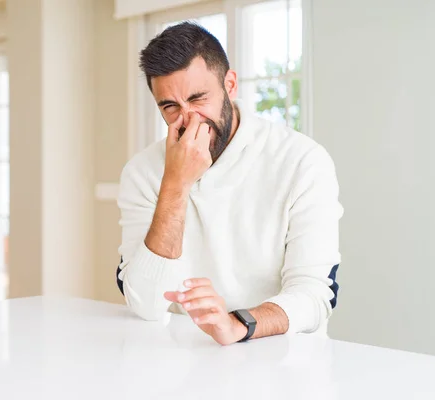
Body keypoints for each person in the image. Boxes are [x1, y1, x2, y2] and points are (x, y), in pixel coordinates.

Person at [116, 22, 343, 345]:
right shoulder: (142, 172)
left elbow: (315, 294)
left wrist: (238, 324)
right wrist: (175, 185)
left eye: (199, 98)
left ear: (230, 84)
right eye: (170, 107)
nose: (189, 118)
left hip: (285, 359)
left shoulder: (302, 160)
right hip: (187, 360)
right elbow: (146, 305)